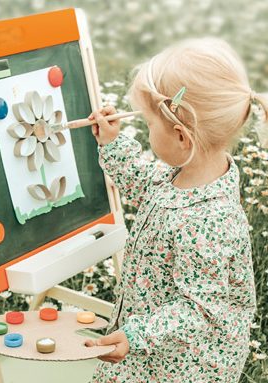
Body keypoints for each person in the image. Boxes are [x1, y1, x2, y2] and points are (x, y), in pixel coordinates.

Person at [85, 37, 266, 382]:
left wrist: (137, 336)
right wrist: (114, 143)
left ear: (182, 137)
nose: (147, 130)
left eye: (150, 125)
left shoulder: (206, 220)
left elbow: (200, 309)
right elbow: (145, 184)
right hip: (157, 347)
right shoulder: (186, 176)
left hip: (182, 366)